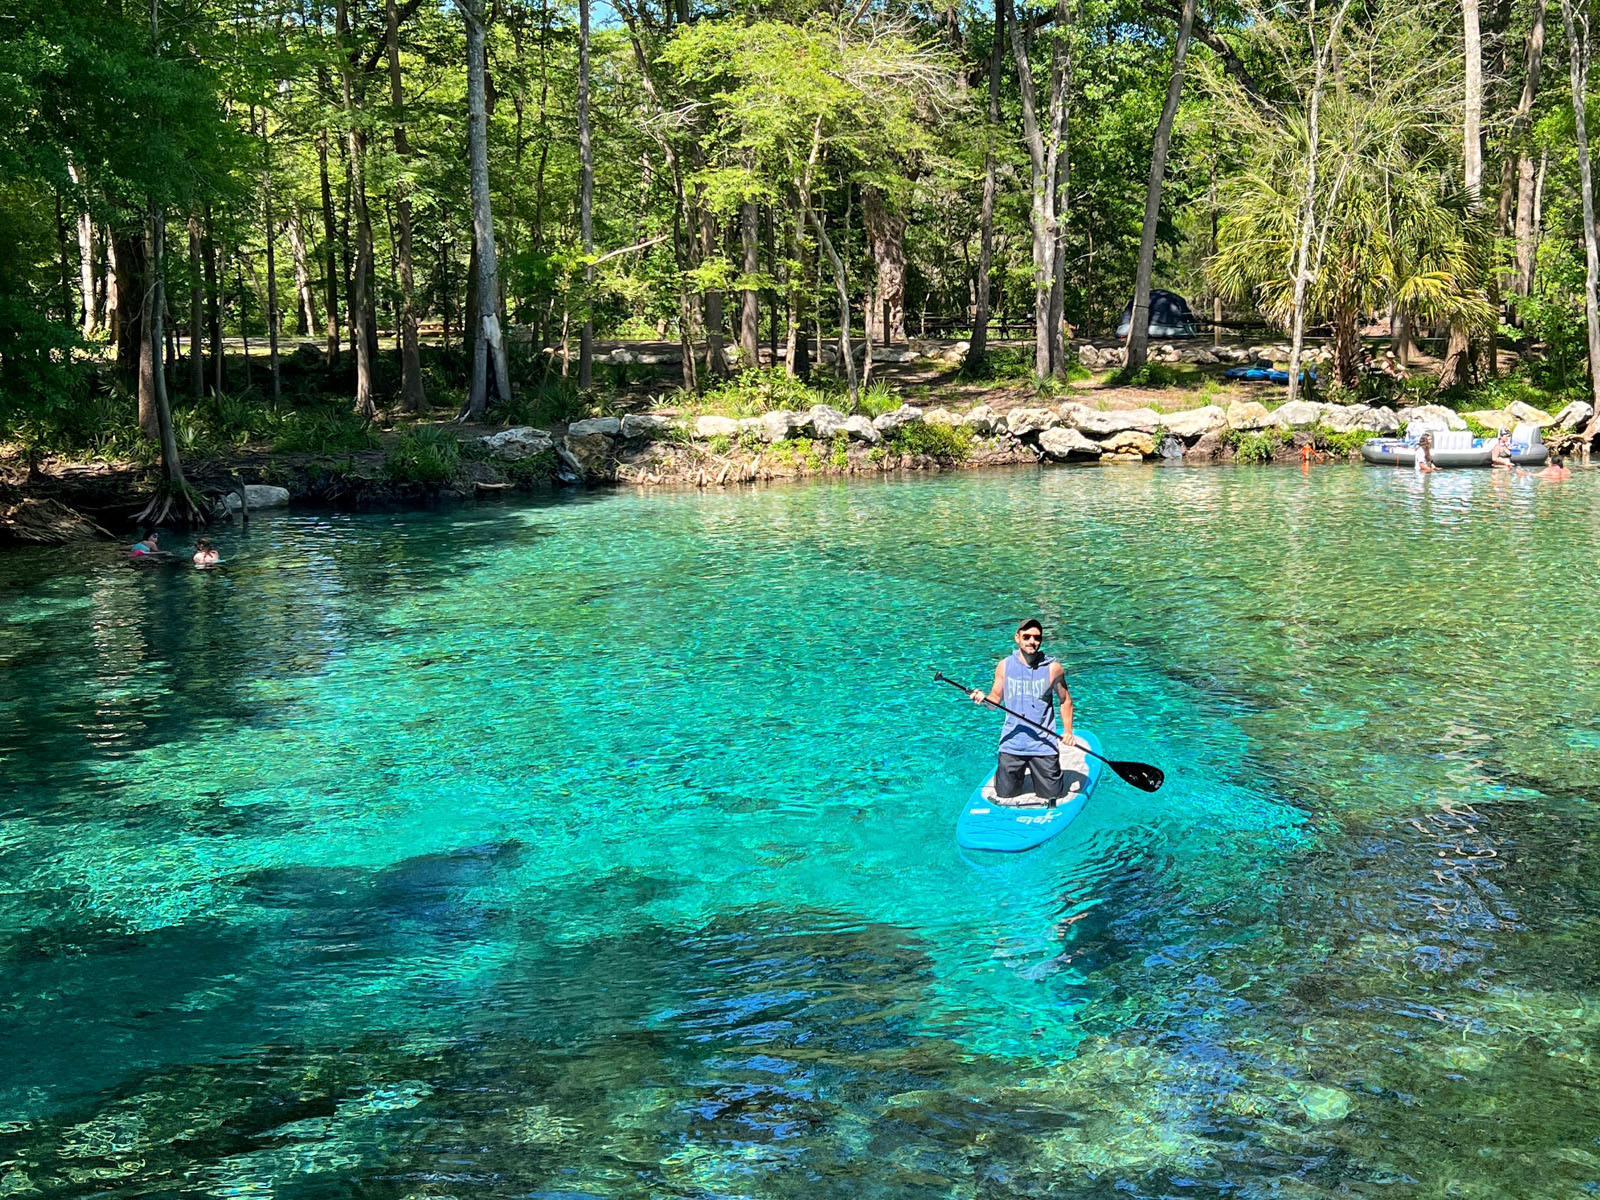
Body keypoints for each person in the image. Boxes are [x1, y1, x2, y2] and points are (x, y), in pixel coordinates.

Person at [970, 617, 1074, 804]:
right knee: (1004, 795)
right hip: (1012, 744)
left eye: (1036, 637)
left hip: (1044, 746)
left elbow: (1065, 701)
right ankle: (1004, 776)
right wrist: (983, 699)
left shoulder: (1053, 668)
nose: (1032, 641)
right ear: (1017, 638)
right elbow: (995, 702)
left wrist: (1068, 732)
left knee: (1053, 796)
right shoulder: (1005, 665)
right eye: (1026, 637)